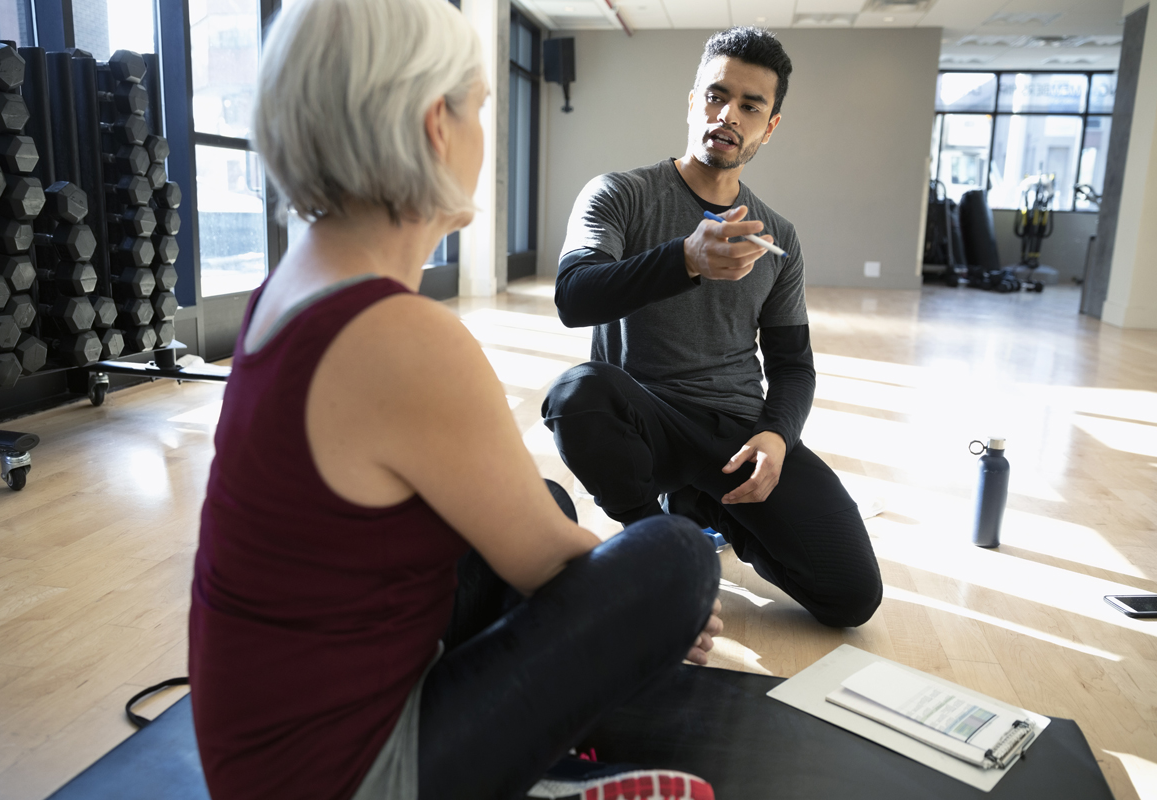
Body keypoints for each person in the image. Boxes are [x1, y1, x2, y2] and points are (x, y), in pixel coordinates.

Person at [187, 1, 723, 799]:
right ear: (437, 125)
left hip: (257, 755)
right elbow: (551, 562)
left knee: (539, 500)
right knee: (677, 558)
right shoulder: (398, 336)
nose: (482, 134)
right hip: (346, 780)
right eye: (478, 107)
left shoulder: (291, 286)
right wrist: (657, 610)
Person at [543, 27, 882, 629]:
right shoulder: (618, 195)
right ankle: (658, 546)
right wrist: (686, 259)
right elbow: (574, 297)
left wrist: (778, 435)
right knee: (577, 394)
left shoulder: (778, 234)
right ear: (693, 99)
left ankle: (709, 507)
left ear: (770, 125)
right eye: (716, 96)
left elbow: (792, 364)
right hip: (646, 422)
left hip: (737, 436)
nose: (728, 115)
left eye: (750, 105)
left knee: (851, 596)